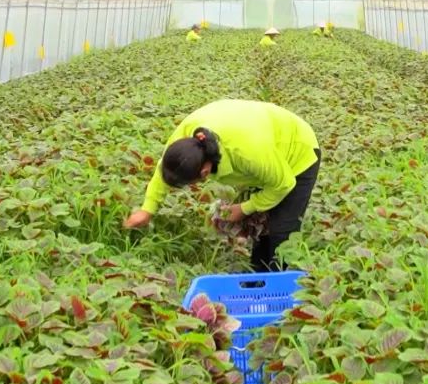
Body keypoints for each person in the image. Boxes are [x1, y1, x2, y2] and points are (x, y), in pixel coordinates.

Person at [124, 99, 321, 272]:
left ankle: (282, 287)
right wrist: (147, 209)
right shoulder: (183, 142)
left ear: (204, 173)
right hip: (265, 146)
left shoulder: (246, 152)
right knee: (264, 227)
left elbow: (283, 184)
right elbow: (163, 171)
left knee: (282, 229)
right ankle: (258, 278)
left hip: (296, 150)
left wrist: (243, 209)